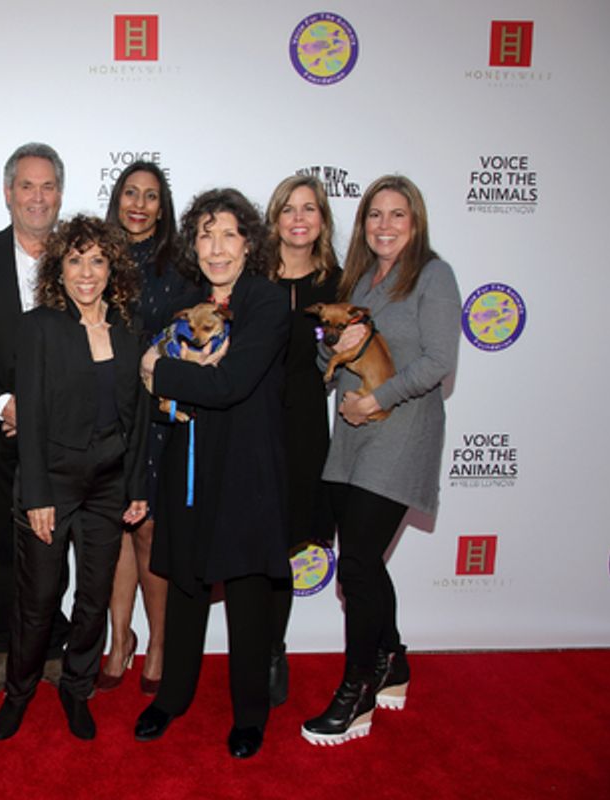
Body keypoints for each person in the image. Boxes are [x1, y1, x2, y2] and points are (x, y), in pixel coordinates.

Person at [301, 175, 460, 746]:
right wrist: (331, 346)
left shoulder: (433, 276)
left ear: (415, 223)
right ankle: (392, 658)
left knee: (358, 563)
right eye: (374, 215)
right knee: (364, 563)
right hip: (350, 437)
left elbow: (439, 361)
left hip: (401, 432)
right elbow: (327, 357)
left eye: (397, 215)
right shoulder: (357, 280)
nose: (384, 226)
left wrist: (376, 400)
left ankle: (358, 692)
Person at [135, 188, 290, 759]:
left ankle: (250, 712)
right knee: (186, 585)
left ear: (249, 243)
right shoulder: (186, 303)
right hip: (190, 462)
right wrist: (164, 385)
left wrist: (159, 371)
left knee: (248, 593)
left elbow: (229, 384)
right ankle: (172, 697)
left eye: (228, 234)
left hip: (247, 468)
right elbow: (160, 401)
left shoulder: (266, 302)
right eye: (205, 235)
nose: (217, 248)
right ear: (192, 245)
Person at [0, 215, 148, 741]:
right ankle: (19, 691)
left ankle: (77, 689)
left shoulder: (127, 327)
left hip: (109, 483)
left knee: (94, 597)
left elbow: (137, 416)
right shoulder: (40, 326)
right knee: (37, 601)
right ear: (58, 269)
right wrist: (36, 495)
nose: (86, 272)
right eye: (75, 260)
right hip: (52, 481)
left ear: (112, 268)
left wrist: (137, 486)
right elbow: (31, 416)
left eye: (97, 260)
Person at [0, 143, 71, 696]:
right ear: (7, 193)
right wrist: (5, 404)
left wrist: (42, 413)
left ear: (60, 195)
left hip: (61, 434)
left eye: (47, 186)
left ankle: (52, 648)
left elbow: (94, 346)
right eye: (27, 185)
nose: (37, 197)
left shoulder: (82, 257)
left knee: (53, 550)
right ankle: (7, 647)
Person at [97, 161, 201, 695]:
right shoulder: (96, 258)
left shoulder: (182, 270)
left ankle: (159, 643)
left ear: (163, 208)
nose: (138, 204)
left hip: (159, 414)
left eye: (151, 196)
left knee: (149, 531)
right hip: (105, 412)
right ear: (117, 198)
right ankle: (120, 640)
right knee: (116, 528)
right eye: (130, 193)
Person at [261, 174, 342, 706]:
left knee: (285, 541)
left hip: (306, 427)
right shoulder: (250, 278)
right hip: (252, 423)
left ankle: (273, 650)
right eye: (288, 208)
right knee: (254, 540)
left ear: (322, 220)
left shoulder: (340, 285)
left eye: (308, 208)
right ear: (274, 219)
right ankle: (253, 646)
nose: (298, 218)